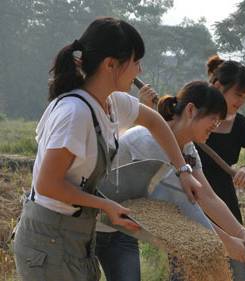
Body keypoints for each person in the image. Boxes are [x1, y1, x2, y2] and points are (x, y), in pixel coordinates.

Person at [13, 17, 201, 281]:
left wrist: (183, 170)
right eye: (135, 62)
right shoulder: (75, 114)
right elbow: (47, 185)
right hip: (50, 239)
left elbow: (156, 121)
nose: (140, 70)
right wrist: (105, 205)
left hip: (76, 235)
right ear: (110, 64)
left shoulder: (111, 102)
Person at [96, 81, 245, 281]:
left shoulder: (187, 148)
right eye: (213, 119)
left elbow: (207, 196)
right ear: (190, 110)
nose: (215, 127)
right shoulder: (147, 142)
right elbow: (179, 209)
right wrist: (226, 242)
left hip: (121, 229)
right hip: (92, 222)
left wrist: (243, 235)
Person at [195, 55, 245, 281]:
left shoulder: (241, 126)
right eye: (238, 94)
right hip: (191, 197)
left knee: (232, 268)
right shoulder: (192, 116)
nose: (241, 101)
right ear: (218, 86)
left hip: (223, 204)